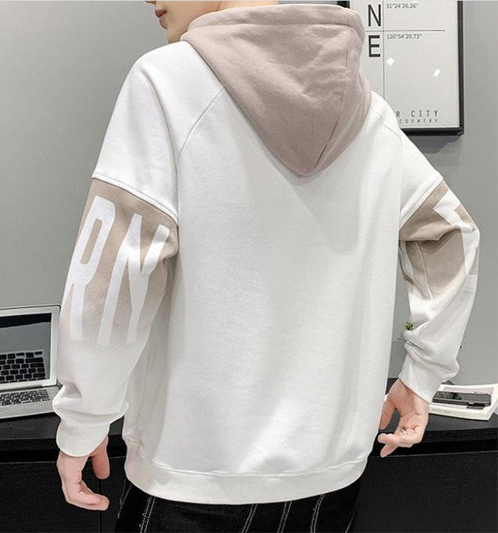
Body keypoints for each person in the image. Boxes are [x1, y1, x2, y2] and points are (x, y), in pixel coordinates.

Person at [51, 1, 481, 532]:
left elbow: (115, 273)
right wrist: (422, 376)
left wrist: (84, 419)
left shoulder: (166, 83)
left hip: (193, 475)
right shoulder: (371, 114)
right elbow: (452, 234)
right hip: (330, 479)